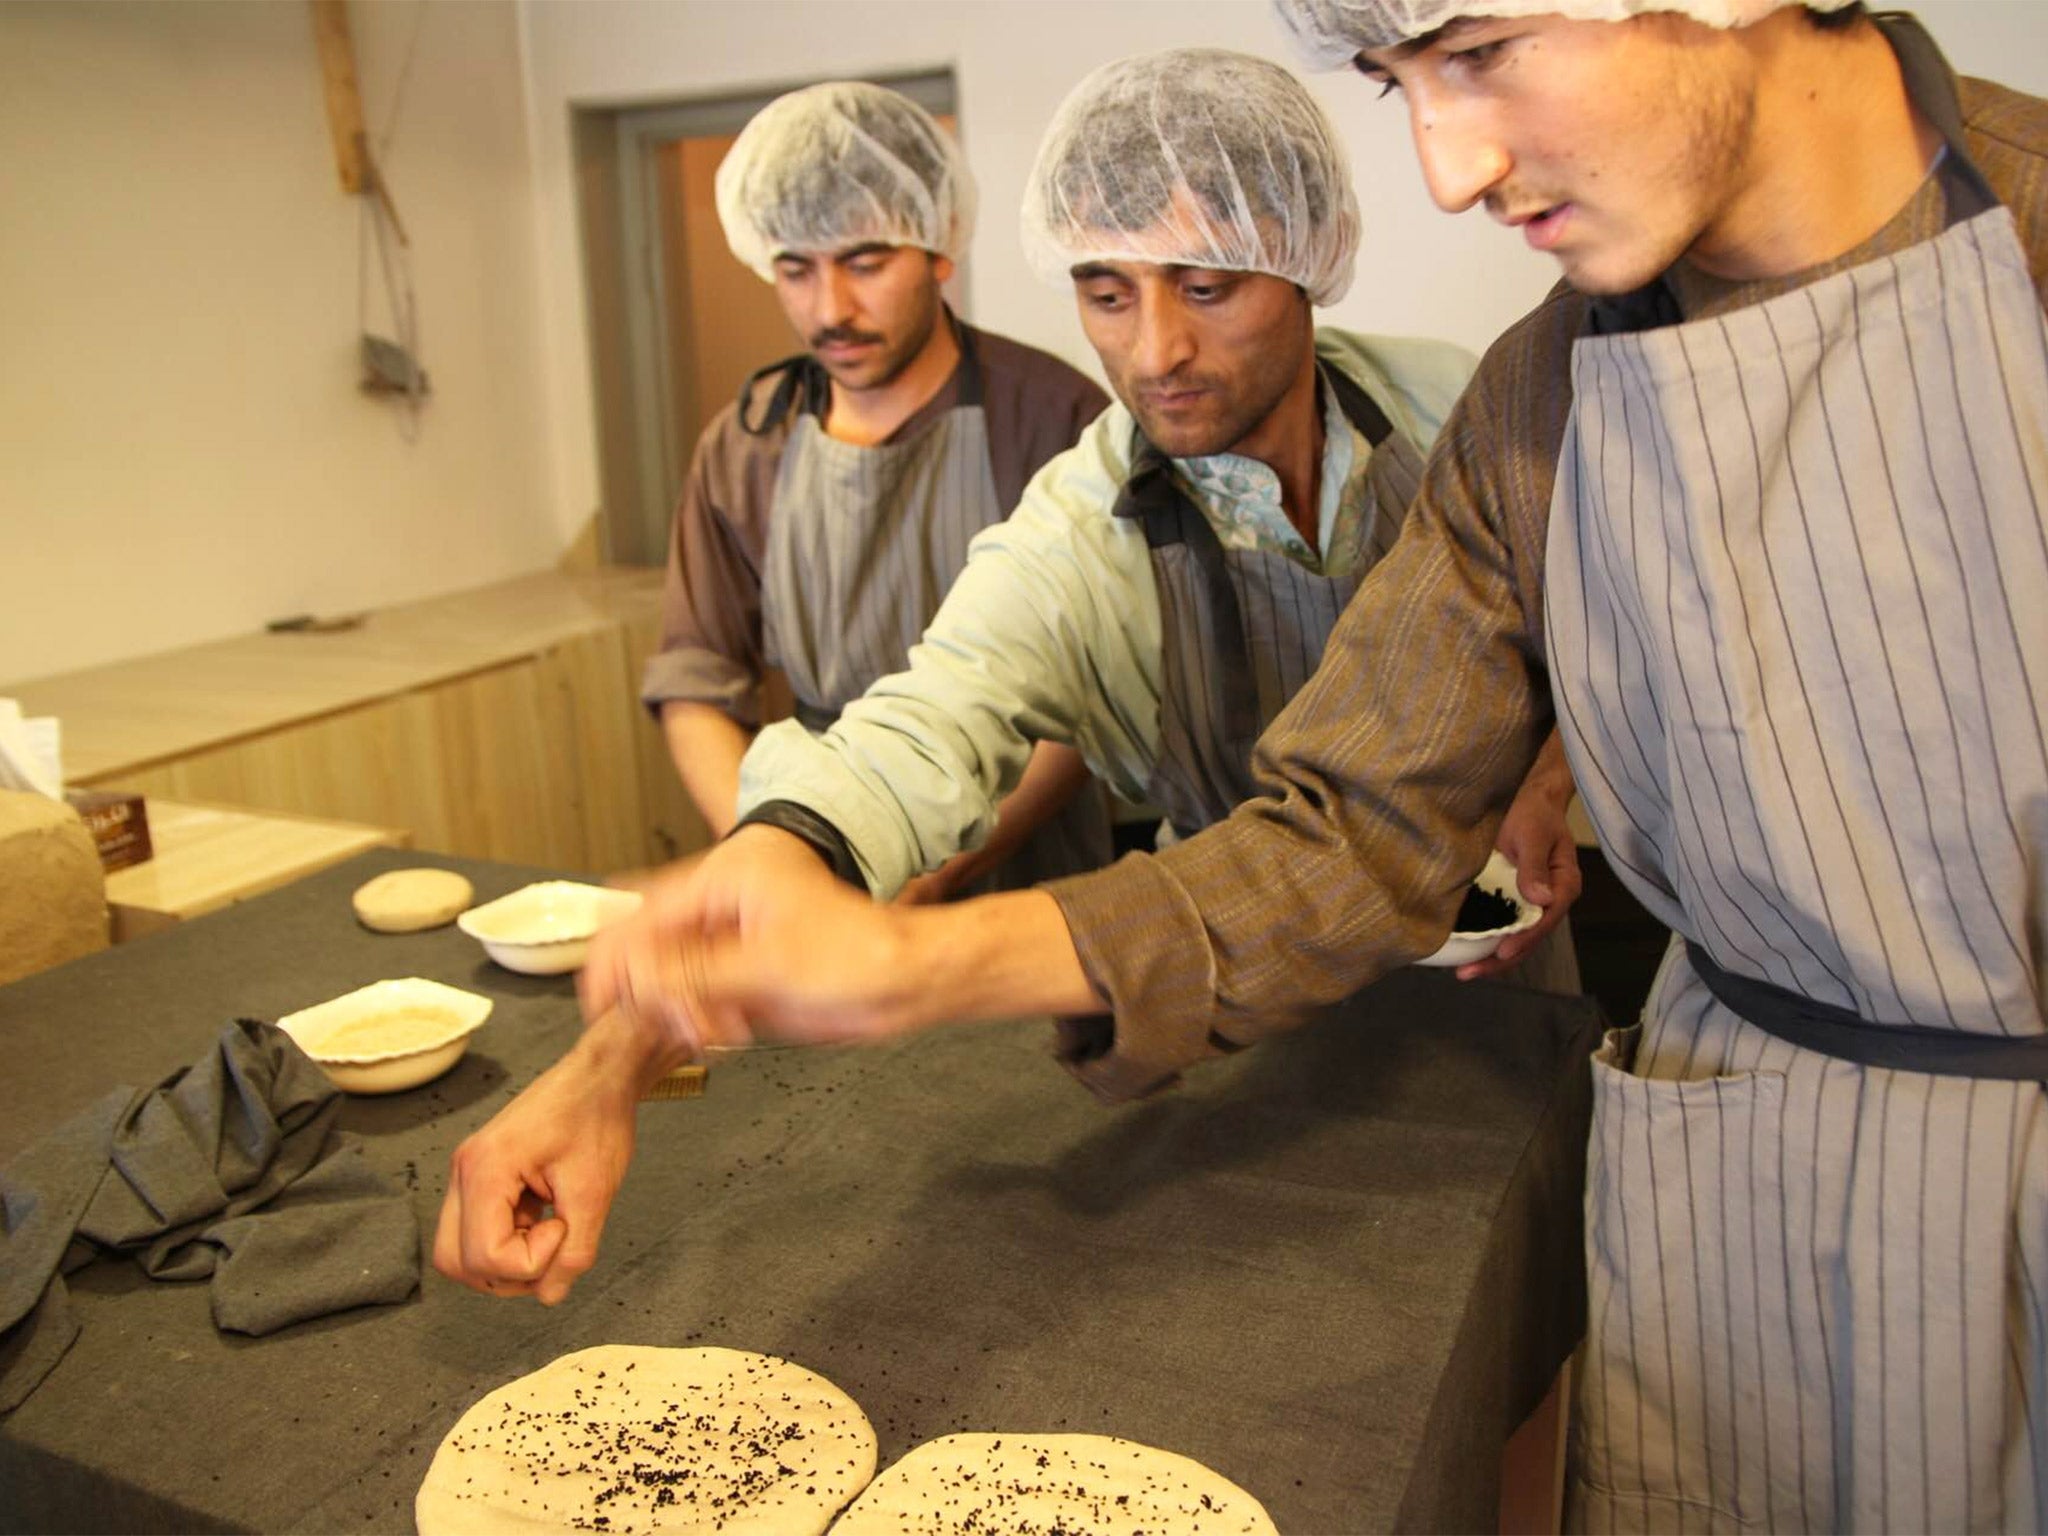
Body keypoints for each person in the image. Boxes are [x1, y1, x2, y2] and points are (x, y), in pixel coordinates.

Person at [553, 2, 2048, 1525]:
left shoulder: (1478, 403)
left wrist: (1543, 763)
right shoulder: (1502, 408)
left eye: (1476, 53)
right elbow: (1318, 820)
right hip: (1548, 1112)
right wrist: (851, 944)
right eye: (1106, 293)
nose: (1450, 168)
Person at [435, 47, 1584, 1302]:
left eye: (1206, 284)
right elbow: (911, 736)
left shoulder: (1451, 408)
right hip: (1240, 1011)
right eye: (1103, 291)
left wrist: (1549, 769)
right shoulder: (1078, 528)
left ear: (1307, 258)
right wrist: (606, 1068)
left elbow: (1589, 627)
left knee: (1533, 1307)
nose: (1155, 351)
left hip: (1498, 986)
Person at [642, 79, 1113, 899]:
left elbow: (1086, 706)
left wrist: (924, 878)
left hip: (1021, 866)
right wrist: (774, 850)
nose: (831, 309)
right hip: (820, 854)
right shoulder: (744, 448)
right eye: (796, 270)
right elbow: (696, 678)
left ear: (939, 249)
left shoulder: (1056, 419)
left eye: (865, 263)